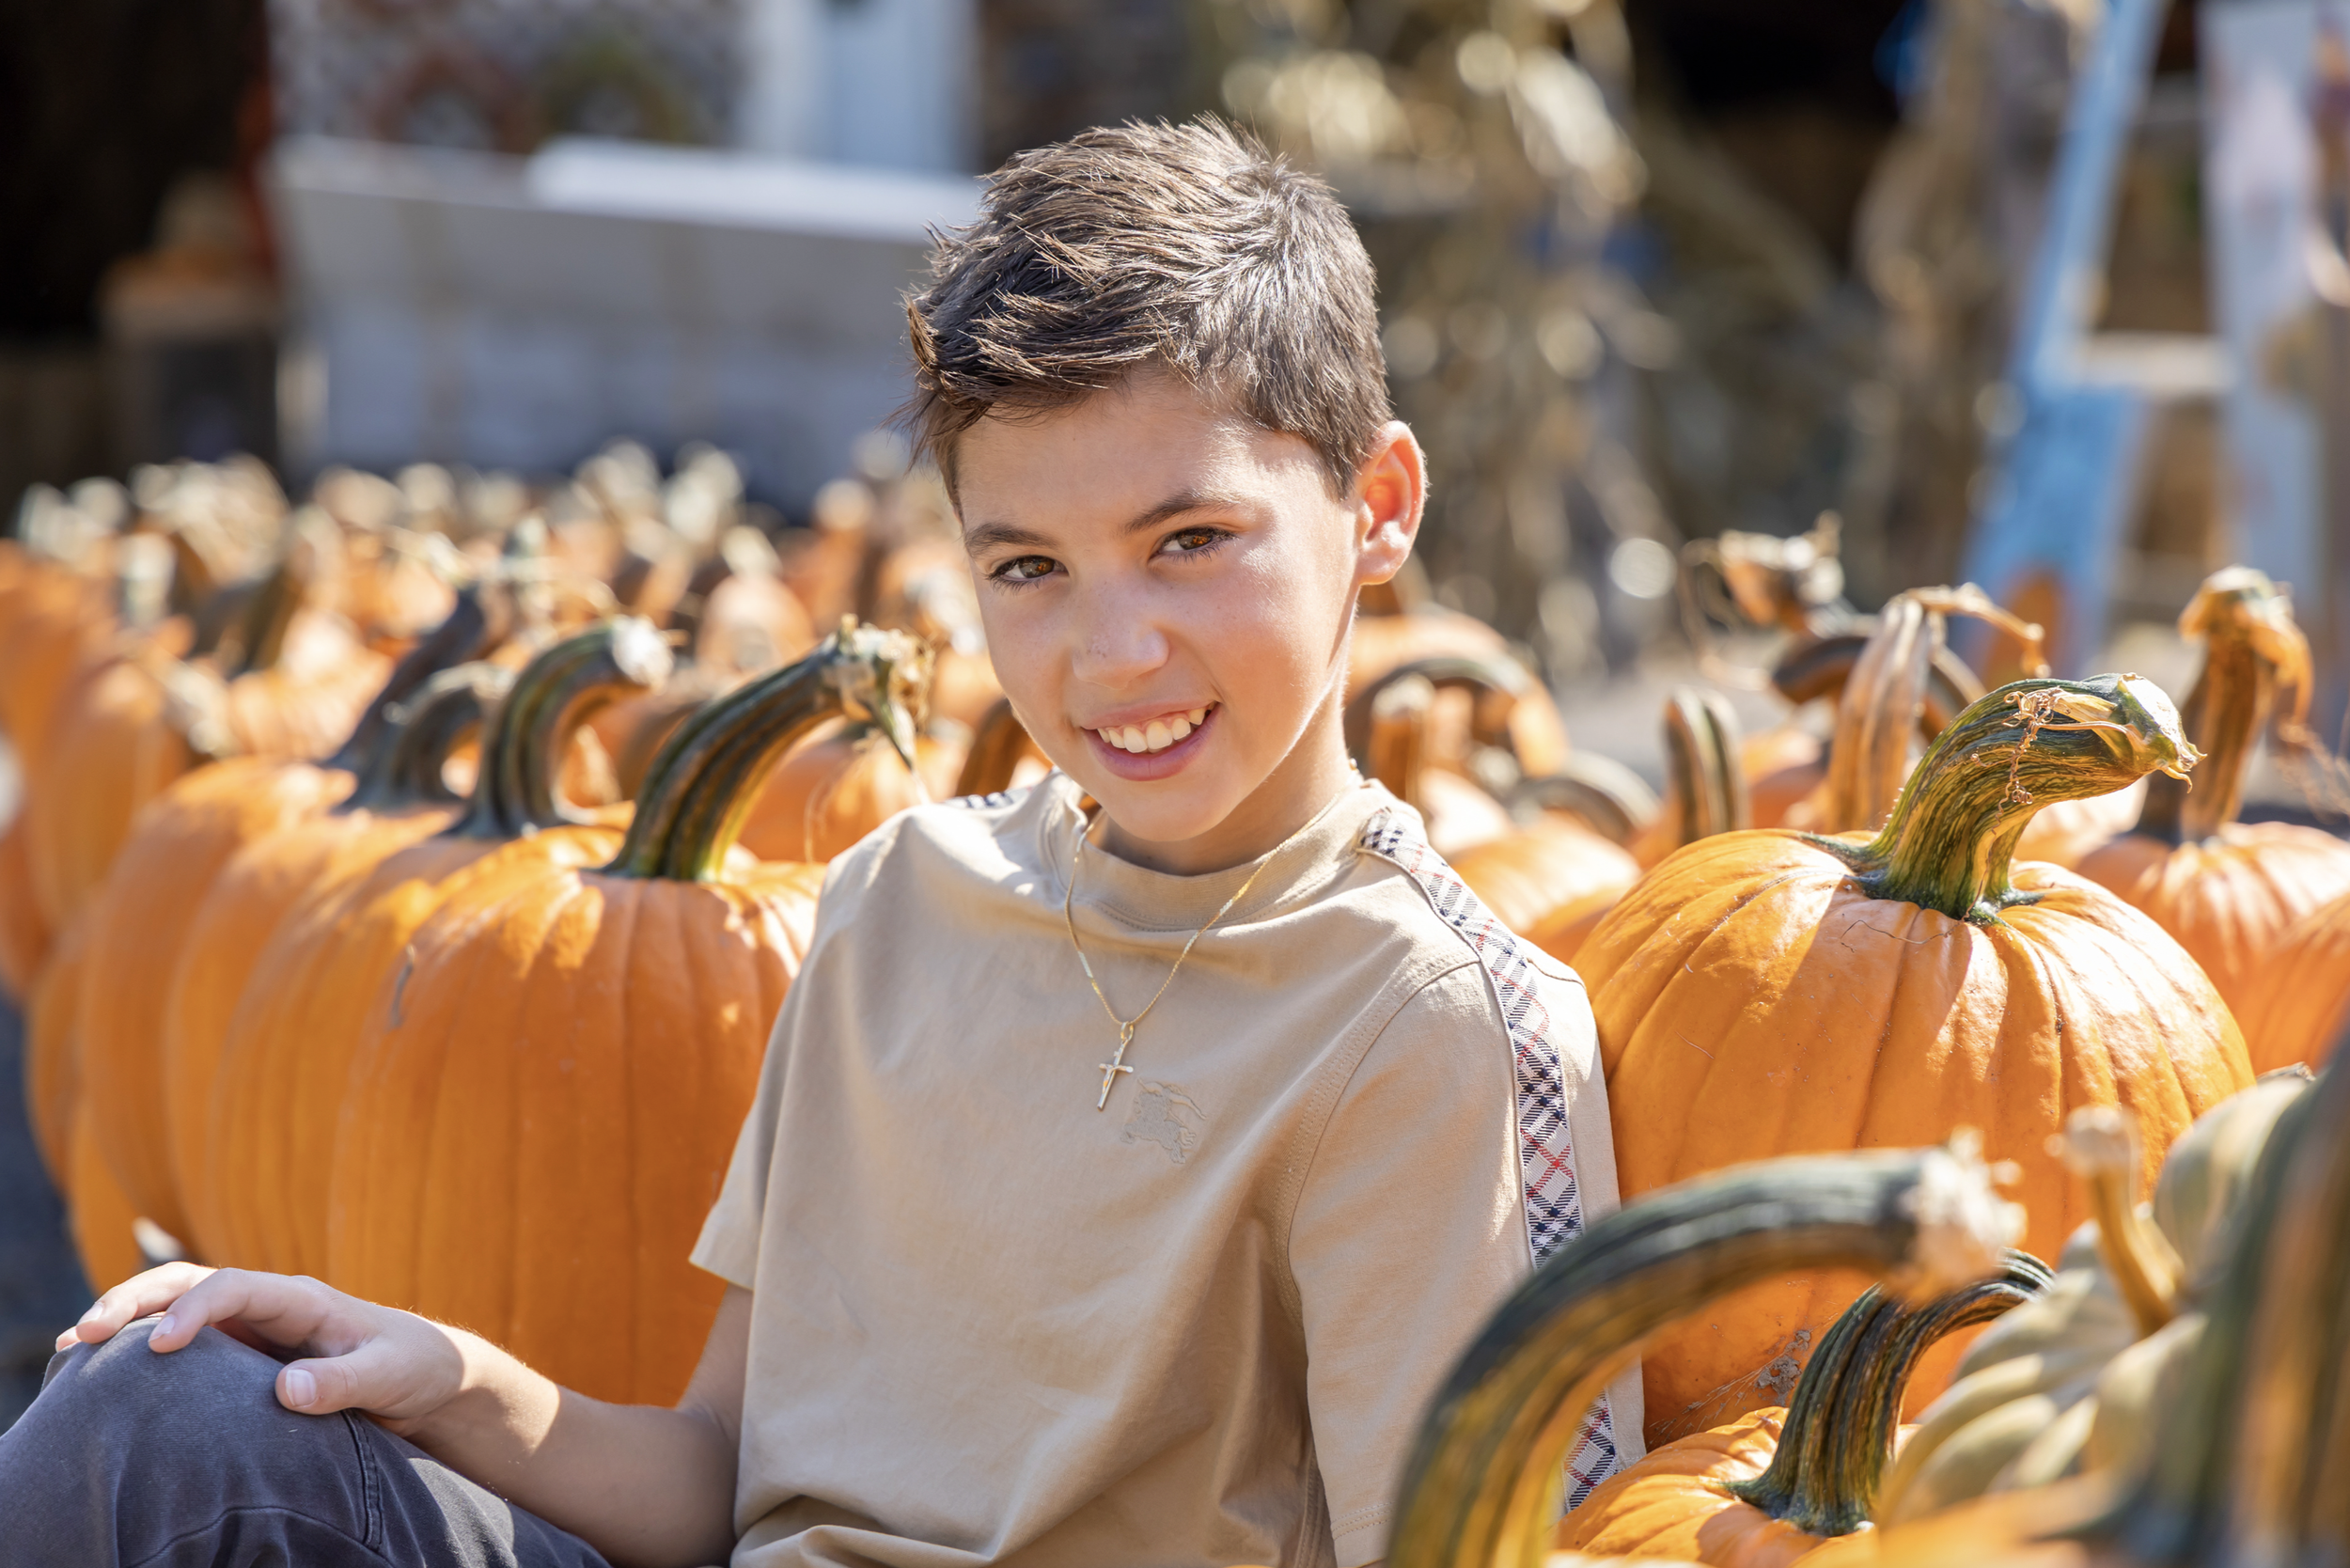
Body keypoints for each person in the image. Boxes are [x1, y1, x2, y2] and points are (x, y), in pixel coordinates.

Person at [0, 117, 1637, 1568]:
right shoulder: (903, 902)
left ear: (1378, 506)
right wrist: (453, 1378)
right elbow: (723, 1476)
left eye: (1190, 541)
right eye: (1029, 569)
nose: (1111, 652)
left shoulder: (1435, 1029)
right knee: (157, 1415)